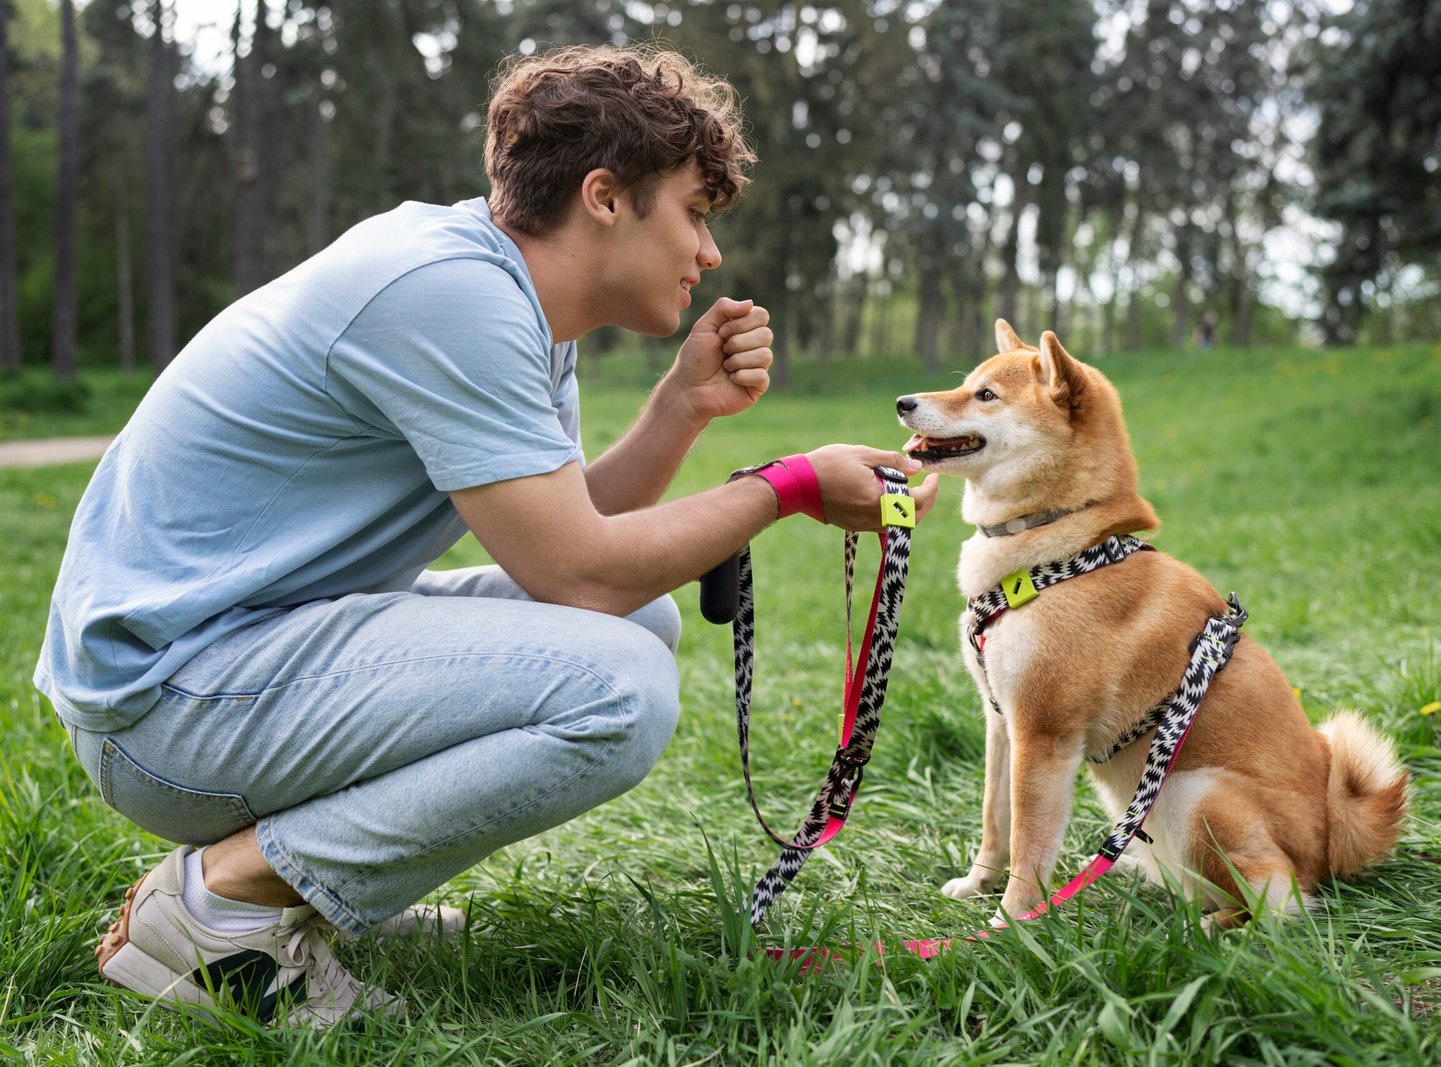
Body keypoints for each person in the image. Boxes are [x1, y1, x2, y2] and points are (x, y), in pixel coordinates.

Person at [35, 44, 938, 1027]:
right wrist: (789, 485)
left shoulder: (513, 305)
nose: (708, 252)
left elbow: (575, 543)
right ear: (603, 196)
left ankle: (319, 895)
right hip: (164, 700)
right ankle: (223, 903)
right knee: (613, 687)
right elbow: (576, 571)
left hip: (231, 664)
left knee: (640, 625)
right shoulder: (447, 292)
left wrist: (681, 406)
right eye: (693, 211)